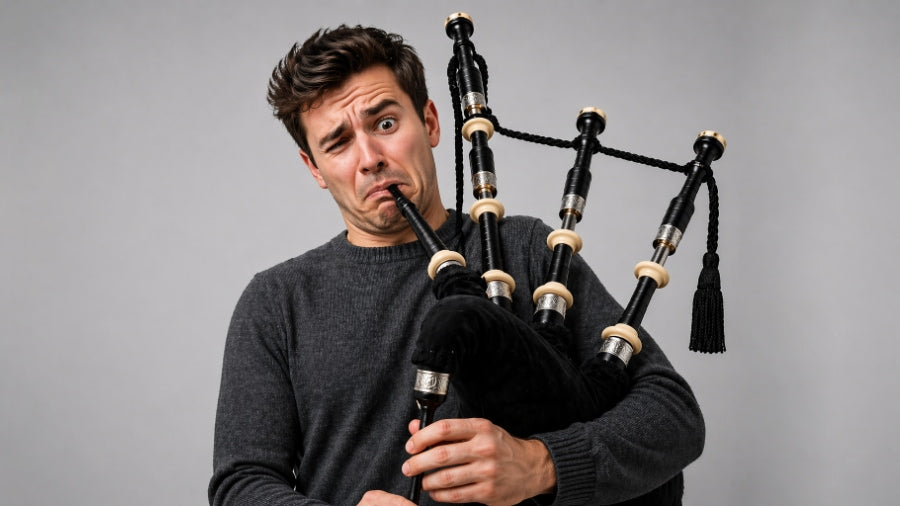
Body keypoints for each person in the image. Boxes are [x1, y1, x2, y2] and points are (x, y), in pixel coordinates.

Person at [209, 24, 704, 506]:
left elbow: (673, 415)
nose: (370, 158)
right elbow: (241, 484)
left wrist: (540, 464)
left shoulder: (527, 249)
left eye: (385, 123)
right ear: (314, 167)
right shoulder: (277, 301)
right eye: (338, 143)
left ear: (429, 121)